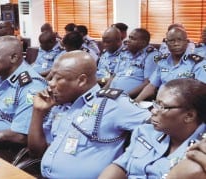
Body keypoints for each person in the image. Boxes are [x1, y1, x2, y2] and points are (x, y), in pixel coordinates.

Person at [28, 50, 151, 178]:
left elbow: (159, 129)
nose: (50, 83)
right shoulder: (60, 104)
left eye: (58, 78)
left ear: (81, 80)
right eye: (51, 77)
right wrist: (38, 112)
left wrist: (125, 165)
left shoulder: (113, 104)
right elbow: (36, 152)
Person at [99, 78, 206, 179]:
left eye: (162, 107)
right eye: (155, 103)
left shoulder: (201, 151)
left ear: (189, 116)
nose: (153, 111)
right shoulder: (145, 131)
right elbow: (121, 165)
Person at [135, 27, 206, 102]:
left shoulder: (197, 63)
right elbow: (152, 86)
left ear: (186, 42)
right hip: (160, 103)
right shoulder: (162, 62)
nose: (176, 44)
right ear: (166, 43)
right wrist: (136, 101)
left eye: (180, 40)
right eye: (172, 41)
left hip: (184, 106)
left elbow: (200, 92)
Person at [106, 28, 159, 98]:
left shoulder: (151, 55)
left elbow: (148, 83)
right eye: (129, 37)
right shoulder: (124, 52)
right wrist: (103, 91)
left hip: (129, 98)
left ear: (143, 42)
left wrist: (124, 96)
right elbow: (113, 76)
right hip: (111, 95)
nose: (128, 40)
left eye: (132, 39)